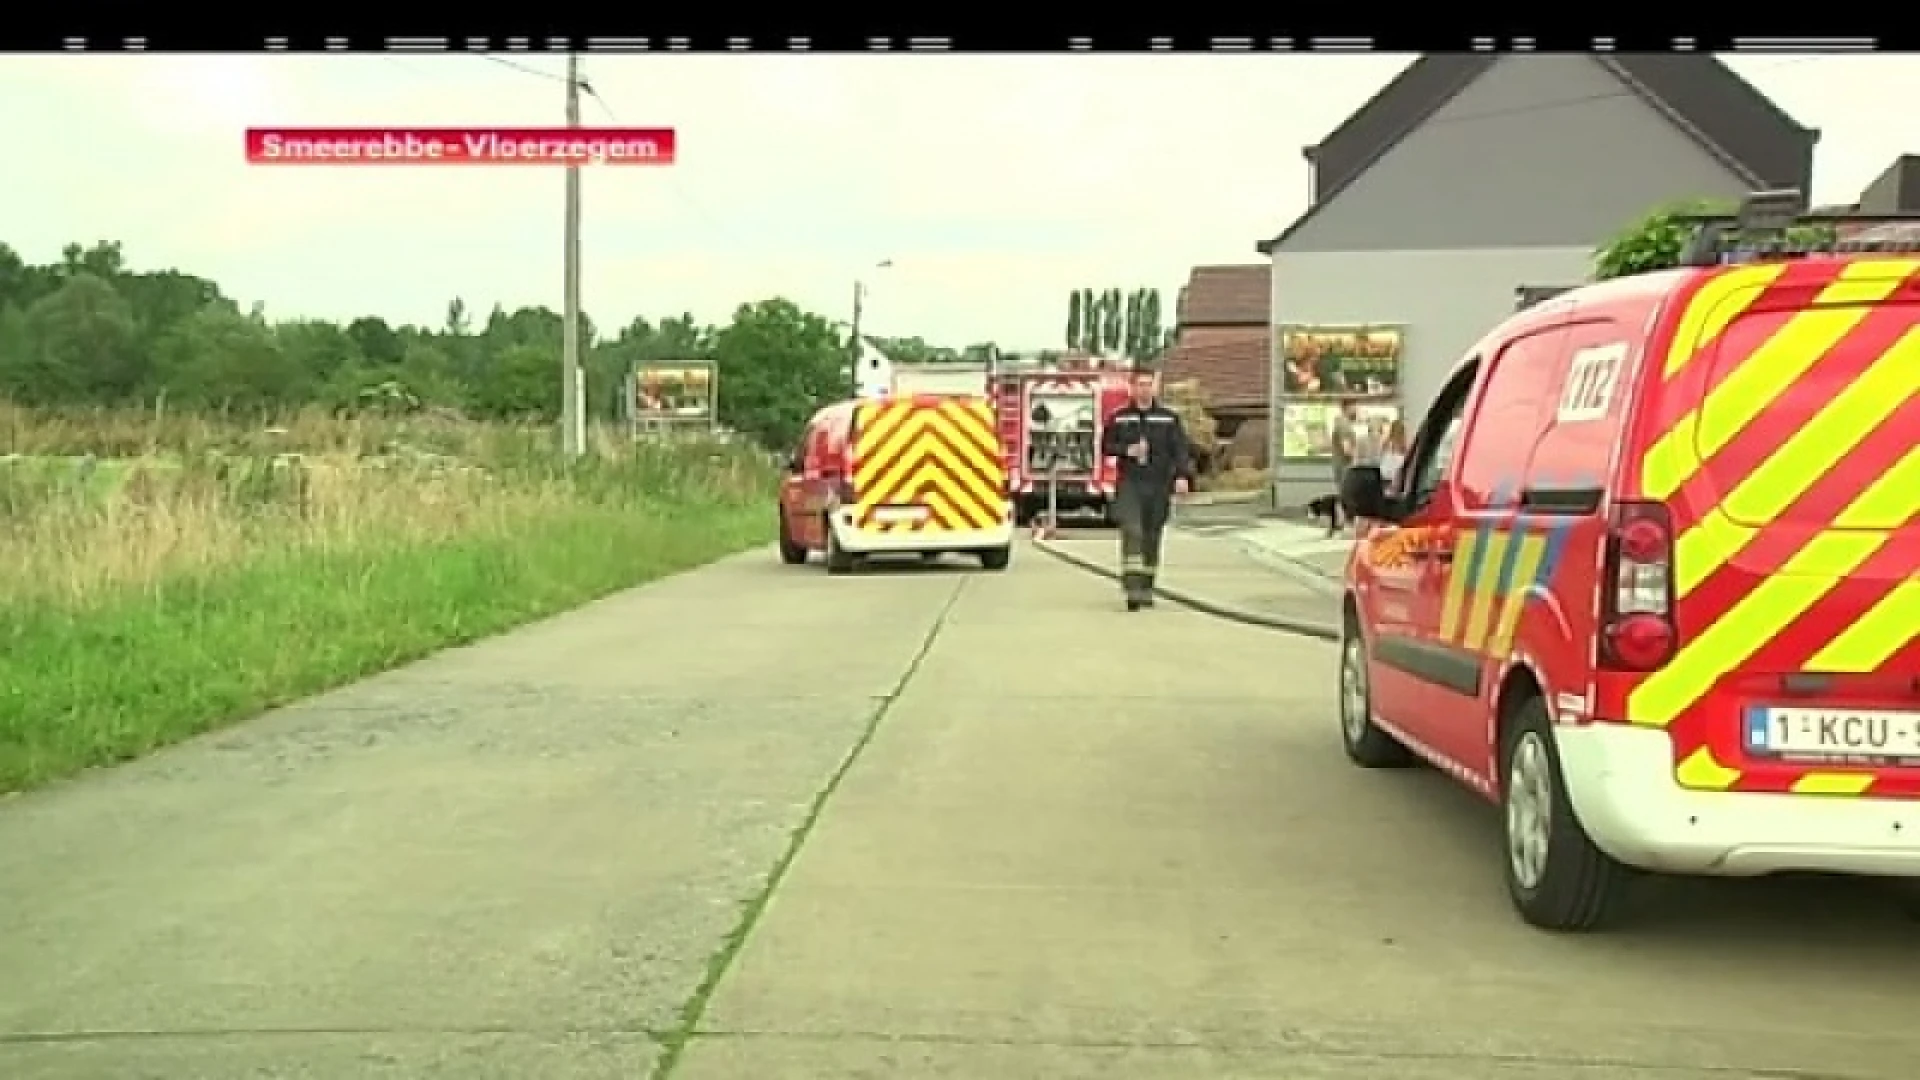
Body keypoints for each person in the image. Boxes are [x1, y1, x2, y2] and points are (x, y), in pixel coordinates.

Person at [1101, 368, 1193, 612]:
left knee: (1152, 535)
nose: (1145, 389)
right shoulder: (1119, 417)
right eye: (1140, 384)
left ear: (1155, 388)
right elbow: (1106, 446)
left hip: (1159, 484)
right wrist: (1126, 450)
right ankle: (1132, 589)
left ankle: (1147, 586)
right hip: (1130, 482)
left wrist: (1182, 477)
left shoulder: (1169, 419)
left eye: (1149, 384)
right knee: (1133, 530)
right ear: (1132, 388)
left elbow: (1181, 451)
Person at [1327, 400, 1362, 537]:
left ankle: (1337, 525)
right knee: (1348, 495)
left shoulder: (1340, 422)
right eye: (1356, 407)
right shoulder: (1344, 424)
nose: (1357, 410)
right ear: (1349, 407)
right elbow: (1346, 448)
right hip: (1345, 466)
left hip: (1340, 464)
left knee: (1344, 495)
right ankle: (1344, 525)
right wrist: (1358, 456)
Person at [1378, 417, 1409, 487]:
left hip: (1385, 478)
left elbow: (1381, 459)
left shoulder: (1386, 444)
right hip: (1395, 479)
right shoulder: (1404, 446)